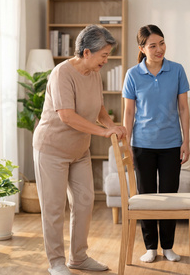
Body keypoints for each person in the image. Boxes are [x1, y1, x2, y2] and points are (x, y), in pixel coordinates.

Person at [33, 24, 127, 275]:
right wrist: (104, 132)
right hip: (51, 149)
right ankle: (56, 262)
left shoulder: (94, 73)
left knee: (85, 202)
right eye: (104, 55)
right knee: (54, 209)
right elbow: (67, 116)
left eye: (108, 55)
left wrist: (112, 125)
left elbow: (99, 110)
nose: (106, 61)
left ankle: (79, 257)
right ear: (87, 52)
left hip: (79, 151)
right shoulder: (61, 74)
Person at [123, 24, 190, 263]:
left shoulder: (177, 70)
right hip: (142, 145)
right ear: (142, 48)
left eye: (162, 43)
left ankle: (169, 246)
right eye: (153, 45)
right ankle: (151, 246)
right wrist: (127, 144)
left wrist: (186, 141)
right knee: (147, 196)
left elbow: (184, 108)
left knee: (169, 197)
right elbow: (129, 113)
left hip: (172, 145)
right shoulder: (133, 74)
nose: (160, 49)